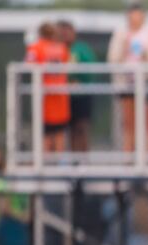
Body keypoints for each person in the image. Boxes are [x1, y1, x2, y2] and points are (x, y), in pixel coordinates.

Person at [107, 1, 148, 152]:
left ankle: (145, 156)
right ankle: (128, 157)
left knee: (145, 122)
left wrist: (147, 58)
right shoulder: (120, 33)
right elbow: (113, 58)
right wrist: (123, 51)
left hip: (145, 82)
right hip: (125, 83)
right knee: (128, 123)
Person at [26, 22, 70, 153]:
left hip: (44, 97)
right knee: (59, 134)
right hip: (61, 97)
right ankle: (58, 164)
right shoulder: (62, 48)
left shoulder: (36, 47)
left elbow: (29, 66)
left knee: (45, 134)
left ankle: (45, 163)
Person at [57, 20, 97, 152]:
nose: (64, 35)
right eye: (61, 32)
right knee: (60, 131)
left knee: (81, 128)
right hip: (61, 97)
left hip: (81, 96)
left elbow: (91, 68)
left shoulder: (82, 49)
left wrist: (78, 79)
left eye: (67, 31)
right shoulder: (55, 49)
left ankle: (82, 161)